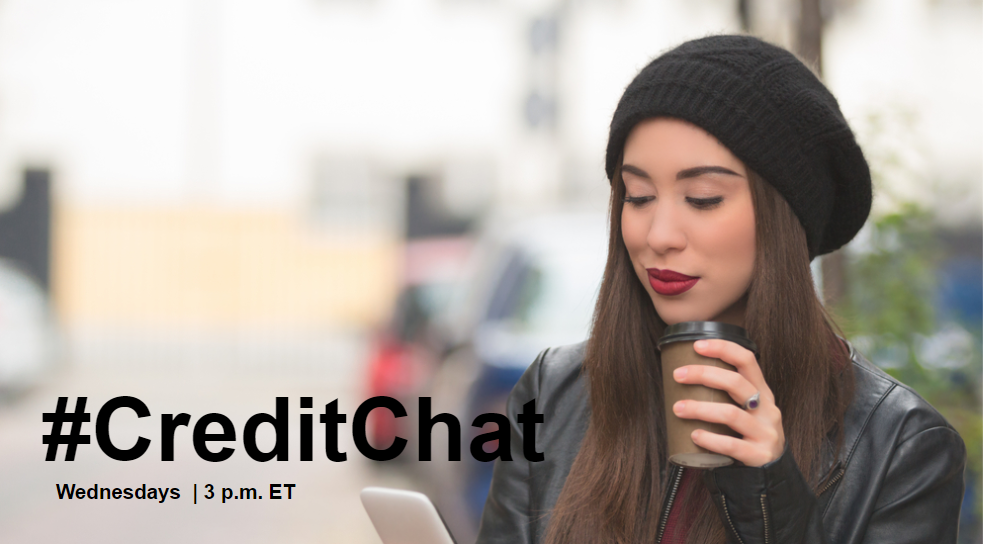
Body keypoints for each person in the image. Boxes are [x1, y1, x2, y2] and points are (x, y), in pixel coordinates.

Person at [474, 35, 966, 544]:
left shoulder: (902, 447)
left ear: (783, 219)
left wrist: (770, 500)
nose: (659, 235)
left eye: (702, 198)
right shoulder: (552, 392)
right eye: (638, 196)